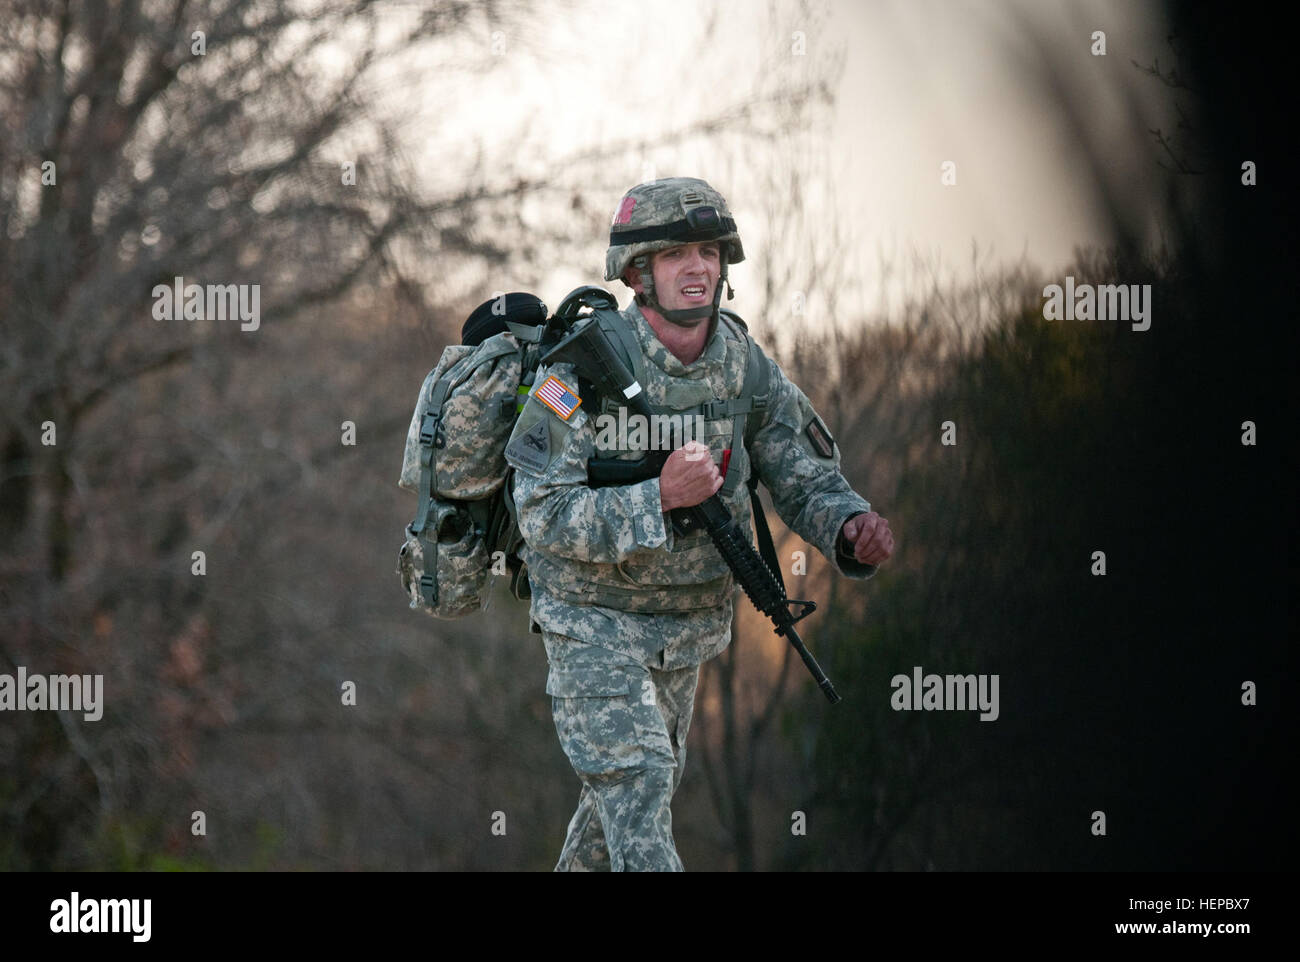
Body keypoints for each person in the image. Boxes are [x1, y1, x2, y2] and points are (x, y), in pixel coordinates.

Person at [504, 176, 894, 871]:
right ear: (637, 273)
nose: (699, 267)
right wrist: (658, 498)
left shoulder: (745, 368)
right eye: (678, 253)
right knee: (641, 786)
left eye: (710, 252)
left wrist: (848, 528)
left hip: (685, 629)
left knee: (609, 829)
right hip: (590, 622)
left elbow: (799, 472)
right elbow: (542, 513)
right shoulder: (575, 373)